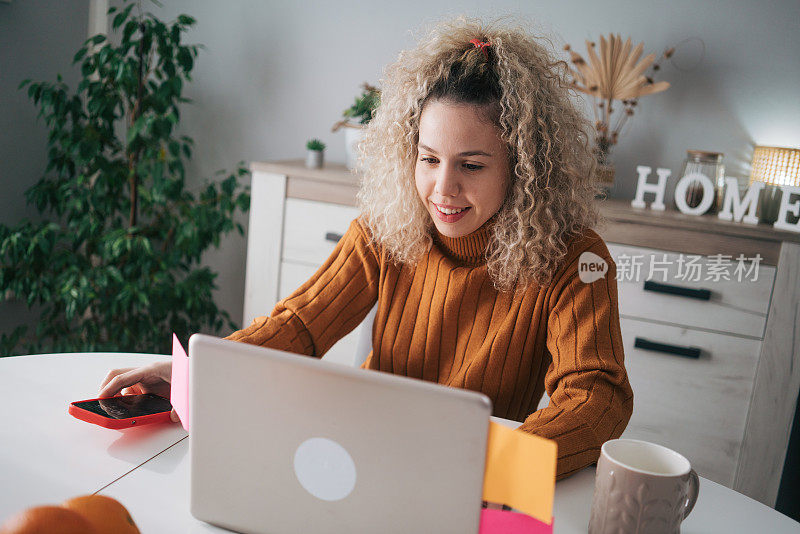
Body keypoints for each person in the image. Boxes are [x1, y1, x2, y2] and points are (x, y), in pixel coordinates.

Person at [100, 16, 633, 481]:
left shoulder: (576, 260)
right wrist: (200, 371)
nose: (442, 190)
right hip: (364, 460)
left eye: (471, 165)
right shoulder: (387, 228)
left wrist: (500, 463)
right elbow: (302, 326)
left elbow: (596, 396)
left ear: (523, 167)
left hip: (476, 480)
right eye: (428, 159)